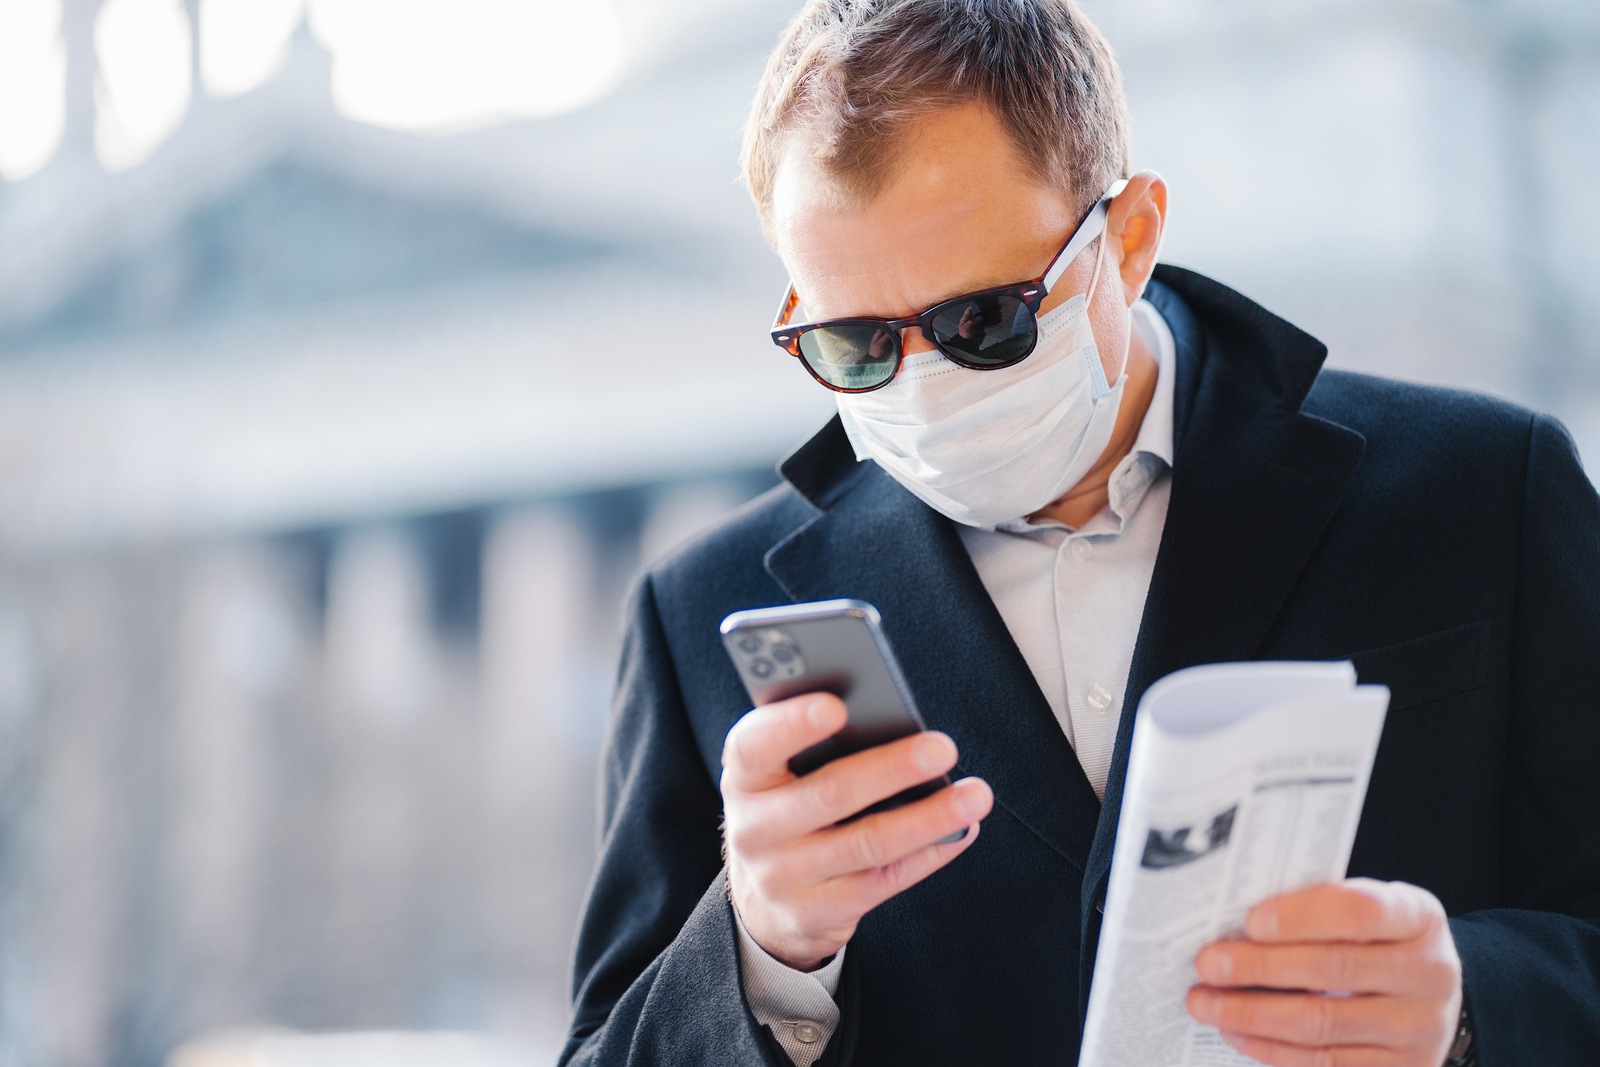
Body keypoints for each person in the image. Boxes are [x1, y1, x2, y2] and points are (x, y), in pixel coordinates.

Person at [560, 2, 1600, 1065]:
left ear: (1130, 237)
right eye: (856, 342)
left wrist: (1475, 1006)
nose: (922, 395)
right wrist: (765, 950)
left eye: (984, 324)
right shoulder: (706, 608)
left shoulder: (1480, 490)